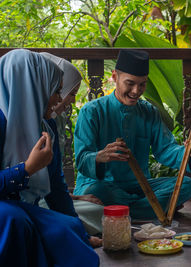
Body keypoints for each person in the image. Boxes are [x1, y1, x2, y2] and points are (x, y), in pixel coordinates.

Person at [73, 49, 191, 220]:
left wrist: (187, 152)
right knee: (96, 192)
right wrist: (100, 156)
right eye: (130, 83)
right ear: (115, 77)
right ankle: (152, 208)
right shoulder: (91, 112)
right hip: (102, 185)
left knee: (187, 185)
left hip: (138, 185)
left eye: (142, 84)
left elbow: (165, 149)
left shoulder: (149, 112)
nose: (136, 91)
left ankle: (124, 211)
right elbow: (81, 159)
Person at [0, 49, 99, 266]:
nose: (58, 98)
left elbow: (56, 186)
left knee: (72, 234)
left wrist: (80, 232)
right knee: (14, 220)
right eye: (56, 90)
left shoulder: (46, 126)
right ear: (30, 87)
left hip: (25, 208)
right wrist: (26, 169)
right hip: (8, 211)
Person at [40, 52, 104, 237]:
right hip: (34, 201)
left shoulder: (53, 122)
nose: (68, 100)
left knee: (99, 211)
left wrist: (76, 197)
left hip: (53, 197)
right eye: (70, 93)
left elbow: (55, 181)